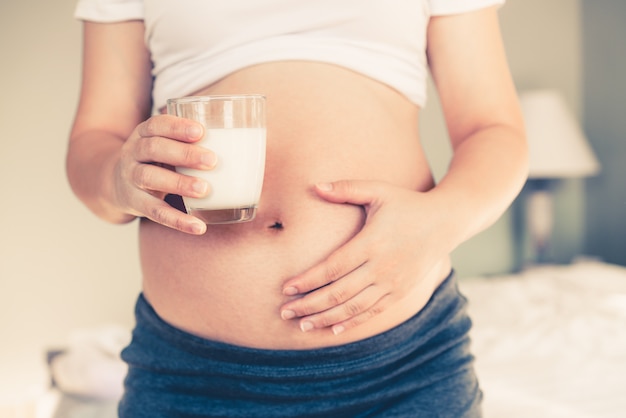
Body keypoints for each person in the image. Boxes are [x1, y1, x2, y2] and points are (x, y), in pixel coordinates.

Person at [66, 0, 528, 416]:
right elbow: (95, 141)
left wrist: (439, 222)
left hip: (401, 370)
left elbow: (493, 129)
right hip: (191, 377)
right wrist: (117, 178)